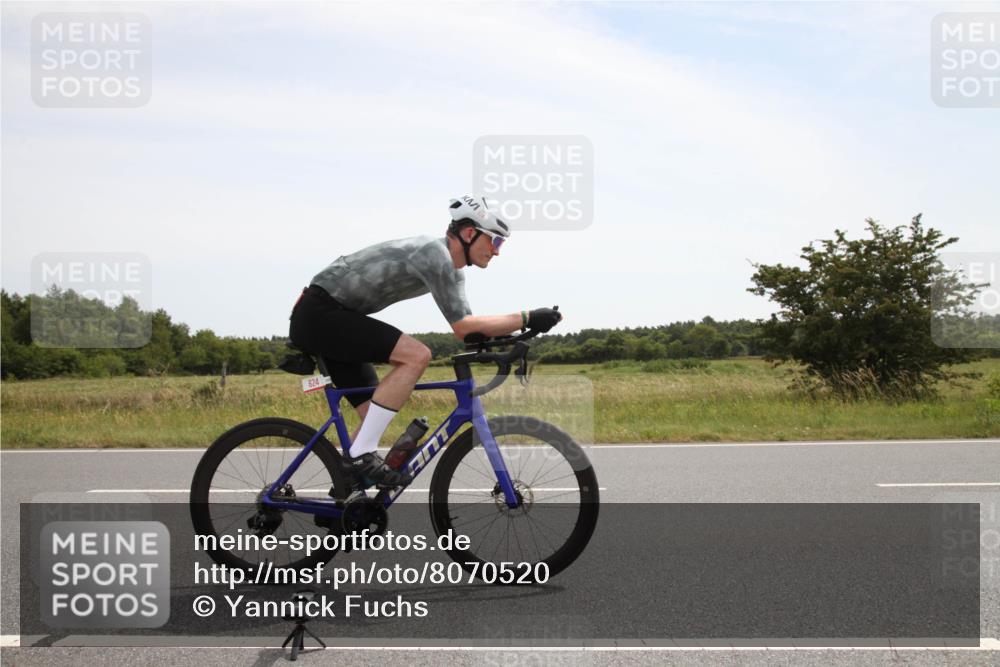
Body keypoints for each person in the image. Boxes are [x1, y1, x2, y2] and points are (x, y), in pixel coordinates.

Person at [288, 195, 563, 488]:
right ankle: (360, 457)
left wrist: (512, 337)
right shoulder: (435, 254)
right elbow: (463, 327)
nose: (496, 251)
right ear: (470, 233)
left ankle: (348, 495)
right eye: (495, 241)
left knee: (372, 415)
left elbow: (470, 329)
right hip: (320, 314)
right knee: (417, 355)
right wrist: (527, 317)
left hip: (333, 317)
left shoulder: (452, 270)